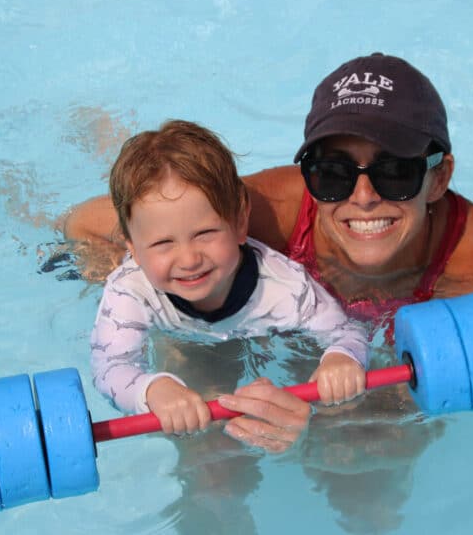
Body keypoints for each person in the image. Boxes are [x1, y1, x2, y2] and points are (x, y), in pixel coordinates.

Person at [62, 52, 473, 450]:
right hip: (223, 327)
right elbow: (86, 225)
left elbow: (437, 397)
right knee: (208, 460)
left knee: (374, 468)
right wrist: (138, 286)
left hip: (330, 353)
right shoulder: (265, 212)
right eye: (332, 172)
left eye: (395, 172)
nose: (363, 196)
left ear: (439, 179)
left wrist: (318, 425)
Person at [91, 119, 369, 435]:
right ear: (134, 250)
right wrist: (152, 389)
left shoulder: (286, 289)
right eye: (163, 243)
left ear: (239, 223)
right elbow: (110, 367)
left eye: (205, 233)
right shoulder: (129, 290)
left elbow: (345, 331)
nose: (189, 259)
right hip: (177, 334)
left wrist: (341, 358)